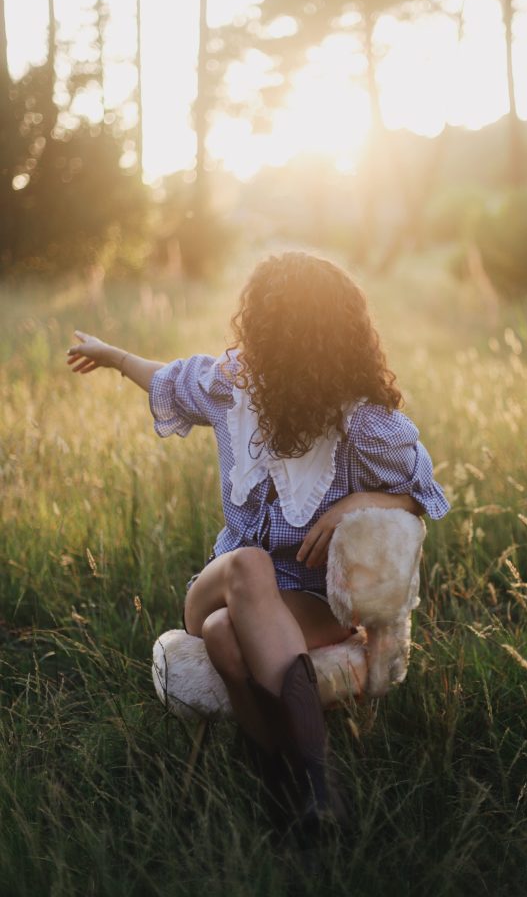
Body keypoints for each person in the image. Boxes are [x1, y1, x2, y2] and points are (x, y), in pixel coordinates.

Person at [66, 251, 449, 832]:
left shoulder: (363, 423)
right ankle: (320, 783)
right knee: (246, 566)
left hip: (310, 603)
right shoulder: (232, 387)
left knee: (227, 636)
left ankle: (282, 786)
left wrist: (359, 501)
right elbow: (166, 376)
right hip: (221, 587)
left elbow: (426, 491)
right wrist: (114, 356)